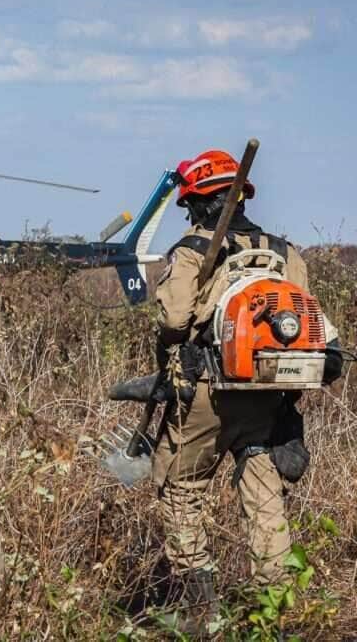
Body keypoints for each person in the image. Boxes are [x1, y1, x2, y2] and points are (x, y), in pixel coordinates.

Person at [152, 149, 343, 632]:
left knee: (181, 487)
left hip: (208, 392)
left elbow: (174, 321)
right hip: (266, 393)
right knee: (263, 489)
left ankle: (200, 610)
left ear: (198, 202)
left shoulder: (193, 249)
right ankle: (276, 610)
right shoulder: (285, 252)